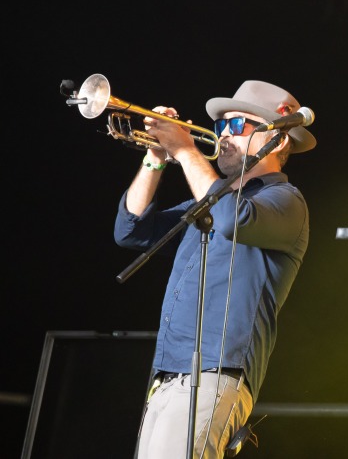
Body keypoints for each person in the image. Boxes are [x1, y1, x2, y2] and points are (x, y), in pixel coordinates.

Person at [114, 80, 316, 458]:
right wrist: (157, 157)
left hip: (216, 373)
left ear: (279, 140)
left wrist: (187, 150)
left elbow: (230, 219)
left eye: (238, 125)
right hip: (169, 374)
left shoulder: (285, 201)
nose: (224, 135)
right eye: (221, 126)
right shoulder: (213, 198)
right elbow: (131, 230)